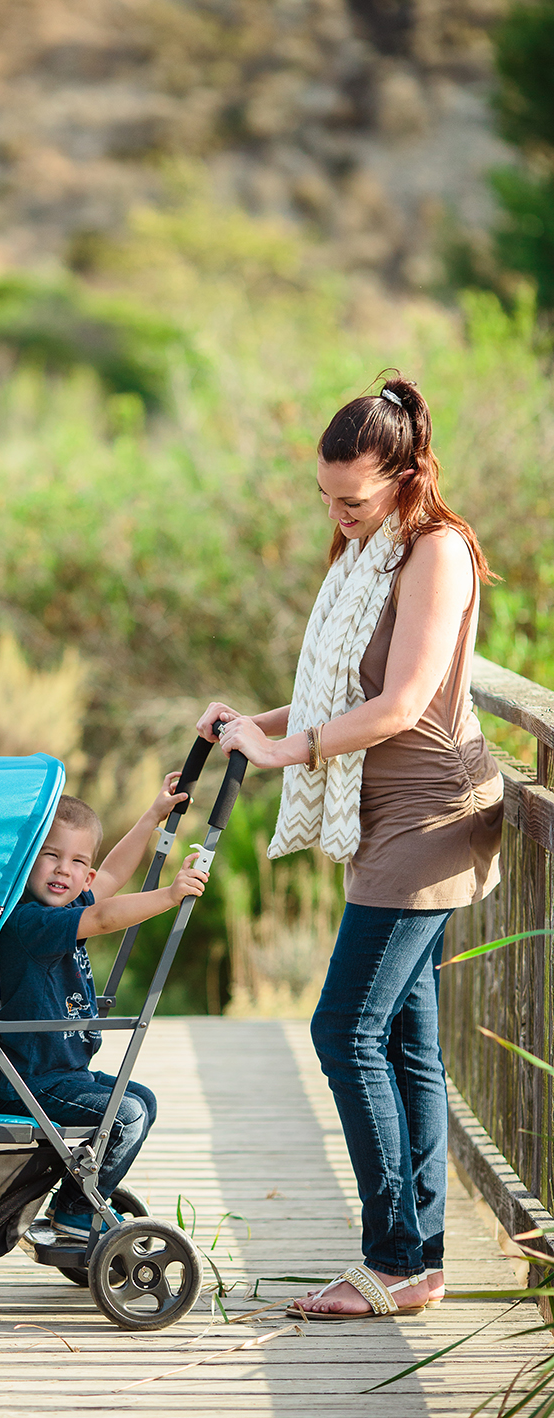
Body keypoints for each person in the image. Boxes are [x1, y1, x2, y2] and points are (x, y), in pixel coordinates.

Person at [196, 375, 503, 1320]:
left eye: (353, 499)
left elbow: (404, 705)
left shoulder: (436, 554)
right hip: (384, 815)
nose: (336, 515)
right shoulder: (370, 551)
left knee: (345, 1029)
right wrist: (258, 722)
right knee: (403, 1039)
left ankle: (392, 1258)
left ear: (407, 477)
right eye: (326, 496)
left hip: (433, 817)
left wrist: (287, 748)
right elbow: (341, 696)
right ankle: (418, 1263)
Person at [0, 779, 209, 1237]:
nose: (63, 870)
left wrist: (151, 817)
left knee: (142, 1099)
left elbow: (108, 880)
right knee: (125, 1116)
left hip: (63, 1073)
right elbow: (104, 915)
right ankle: (73, 1208)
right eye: (51, 855)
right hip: (32, 1079)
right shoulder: (30, 920)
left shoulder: (67, 902)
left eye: (77, 862)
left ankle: (86, 1194)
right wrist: (169, 895)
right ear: (27, 860)